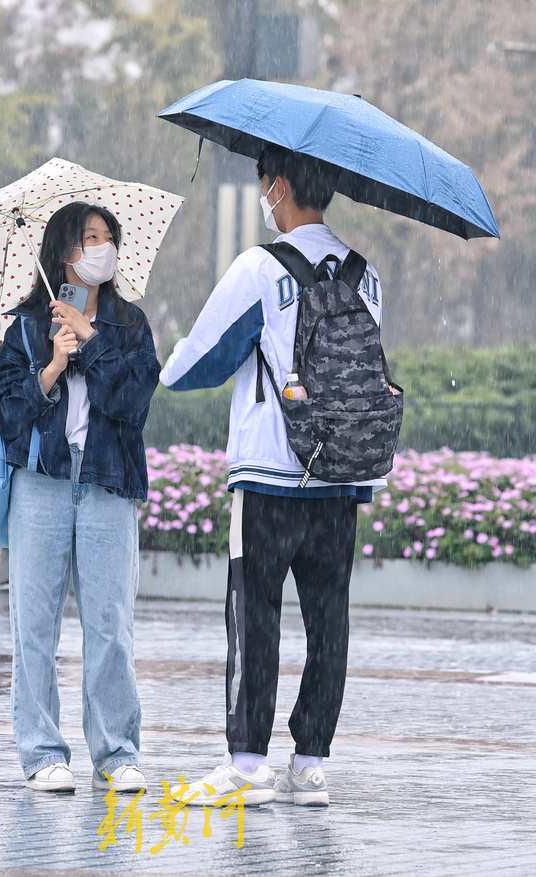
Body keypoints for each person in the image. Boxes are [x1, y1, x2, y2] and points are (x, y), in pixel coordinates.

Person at [160, 145, 385, 807]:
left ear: (278, 186)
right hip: (340, 477)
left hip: (268, 474)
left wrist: (173, 360)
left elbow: (193, 363)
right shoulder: (367, 276)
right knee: (329, 620)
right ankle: (310, 761)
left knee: (254, 616)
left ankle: (249, 761)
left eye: (263, 183)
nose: (263, 193)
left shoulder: (260, 267)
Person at [0, 202, 160, 794]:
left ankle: (116, 753)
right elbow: (4, 411)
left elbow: (133, 404)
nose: (101, 249)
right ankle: (42, 753)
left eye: (108, 239)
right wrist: (52, 366)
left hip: (107, 484)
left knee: (110, 623)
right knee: (34, 624)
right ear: (63, 252)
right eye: (89, 239)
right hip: (42, 484)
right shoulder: (26, 328)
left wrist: (91, 340)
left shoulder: (130, 325)